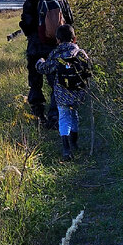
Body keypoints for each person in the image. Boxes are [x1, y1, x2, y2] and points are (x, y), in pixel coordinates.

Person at [19, 0, 73, 125]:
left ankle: (38, 115)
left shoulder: (31, 0)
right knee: (56, 82)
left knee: (35, 82)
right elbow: (70, 22)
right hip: (57, 48)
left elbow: (27, 26)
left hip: (35, 48)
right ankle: (55, 117)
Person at [35, 24, 92, 160]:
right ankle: (75, 143)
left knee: (64, 117)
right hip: (78, 93)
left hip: (61, 93)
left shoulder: (56, 53)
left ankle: (66, 149)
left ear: (57, 40)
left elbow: (45, 69)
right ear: (74, 39)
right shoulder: (81, 53)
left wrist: (39, 62)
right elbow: (89, 70)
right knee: (74, 115)